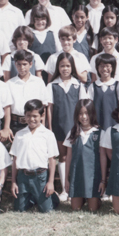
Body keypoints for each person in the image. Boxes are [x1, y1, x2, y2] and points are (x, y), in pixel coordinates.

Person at [46, 52, 89, 201]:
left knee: (77, 156)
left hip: (75, 126)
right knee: (63, 156)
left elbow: (83, 107)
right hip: (59, 125)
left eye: (68, 66)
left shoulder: (79, 85)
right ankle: (65, 189)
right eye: (62, 66)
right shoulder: (52, 85)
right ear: (58, 67)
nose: (65, 68)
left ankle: (78, 187)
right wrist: (50, 128)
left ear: (73, 67)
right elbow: (49, 108)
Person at [10, 99, 60, 213]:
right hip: (23, 177)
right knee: (20, 209)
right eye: (28, 116)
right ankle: (34, 196)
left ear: (42, 115)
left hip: (40, 176)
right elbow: (15, 159)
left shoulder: (47, 134)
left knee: (46, 210)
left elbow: (52, 160)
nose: (31, 119)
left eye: (35, 116)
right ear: (24, 115)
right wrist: (13, 181)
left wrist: (50, 182)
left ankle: (52, 197)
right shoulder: (20, 134)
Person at [63, 99, 103, 212]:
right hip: (77, 176)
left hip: (93, 177)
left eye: (87, 113)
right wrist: (66, 179)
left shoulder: (99, 133)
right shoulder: (72, 133)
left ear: (92, 114)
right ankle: (82, 198)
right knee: (75, 208)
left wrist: (103, 180)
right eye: (80, 113)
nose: (84, 117)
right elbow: (68, 157)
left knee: (93, 209)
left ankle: (96, 199)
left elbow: (102, 158)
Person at [5, 50, 48, 135]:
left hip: (35, 123)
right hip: (16, 123)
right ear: (15, 64)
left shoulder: (38, 82)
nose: (22, 67)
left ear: (31, 64)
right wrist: (7, 127)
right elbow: (7, 107)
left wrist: (42, 125)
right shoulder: (9, 84)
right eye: (19, 64)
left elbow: (43, 105)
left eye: (25, 64)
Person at [86, 53, 119, 131]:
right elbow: (89, 106)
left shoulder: (117, 85)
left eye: (107, 66)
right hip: (97, 124)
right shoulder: (93, 86)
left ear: (113, 68)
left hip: (114, 123)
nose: (104, 69)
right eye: (101, 66)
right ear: (97, 68)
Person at [28, 4, 61, 83]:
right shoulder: (29, 34)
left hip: (51, 72)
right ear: (33, 20)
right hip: (33, 72)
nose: (40, 22)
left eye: (43, 19)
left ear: (47, 20)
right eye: (37, 19)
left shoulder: (53, 34)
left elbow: (59, 53)